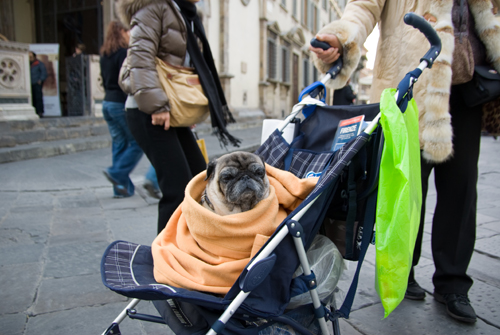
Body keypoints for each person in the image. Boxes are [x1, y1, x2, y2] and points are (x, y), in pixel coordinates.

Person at [310, 0, 500, 324]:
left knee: (462, 186)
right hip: (409, 84)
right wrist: (341, 37)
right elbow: (363, 7)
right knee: (406, 186)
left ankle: (453, 283)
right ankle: (403, 269)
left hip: (467, 84)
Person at [117, 0, 239, 234]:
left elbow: (187, 66)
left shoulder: (188, 14)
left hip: (171, 109)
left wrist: (184, 108)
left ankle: (191, 246)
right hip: (149, 110)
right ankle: (165, 258)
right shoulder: (154, 7)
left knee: (198, 179)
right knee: (177, 188)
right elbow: (140, 57)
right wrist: (156, 106)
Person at [100, 20, 160, 199]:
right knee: (136, 143)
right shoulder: (123, 54)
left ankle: (120, 188)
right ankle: (117, 174)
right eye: (127, 30)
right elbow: (127, 80)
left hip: (107, 104)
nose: (130, 34)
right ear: (121, 32)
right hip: (120, 103)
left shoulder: (105, 54)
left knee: (119, 144)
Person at [29, 51, 47, 117]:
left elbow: (43, 73)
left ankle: (40, 111)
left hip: (37, 83)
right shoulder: (28, 64)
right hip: (30, 84)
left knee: (38, 98)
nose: (29, 58)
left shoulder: (39, 63)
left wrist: (40, 80)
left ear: (34, 57)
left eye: (31, 57)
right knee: (32, 98)